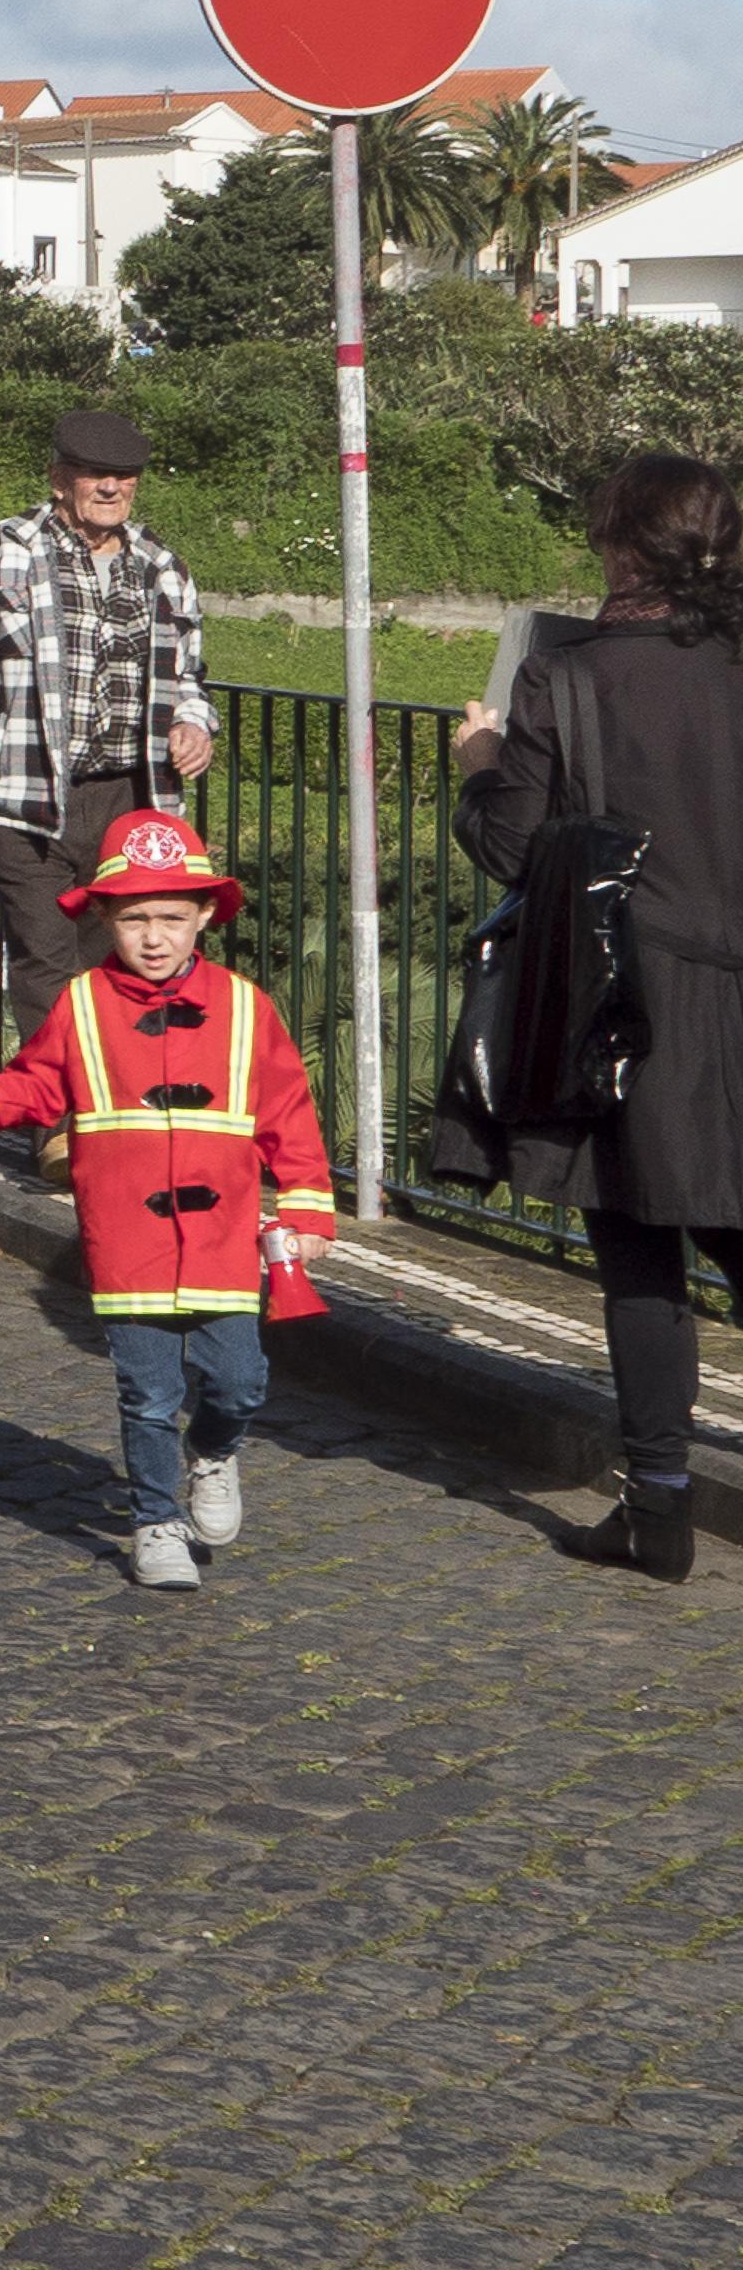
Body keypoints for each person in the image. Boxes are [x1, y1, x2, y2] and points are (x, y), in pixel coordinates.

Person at [456, 449, 743, 1577]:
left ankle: (659, 1512)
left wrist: (480, 760)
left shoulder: (566, 676)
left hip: (639, 994)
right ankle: (657, 1512)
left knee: (639, 1240)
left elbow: (511, 846)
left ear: (620, 548)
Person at [0, 809, 336, 1589]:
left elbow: (289, 1113)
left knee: (240, 1382)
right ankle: (155, 1523)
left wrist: (308, 1208)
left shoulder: (248, 1008)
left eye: (171, 919)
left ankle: (212, 1455)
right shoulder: (81, 1004)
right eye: (136, 919)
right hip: (126, 1236)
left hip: (222, 1237)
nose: (154, 937)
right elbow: (38, 1085)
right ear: (107, 919)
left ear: (204, 917)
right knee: (148, 1394)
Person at [0, 403, 220, 1016]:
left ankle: (106, 1100)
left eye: (123, 476)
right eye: (93, 472)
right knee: (46, 959)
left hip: (130, 796)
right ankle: (51, 1110)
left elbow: (190, 679)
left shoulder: (163, 569)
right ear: (58, 478)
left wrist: (193, 723)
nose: (109, 487)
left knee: (115, 959)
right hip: (20, 794)